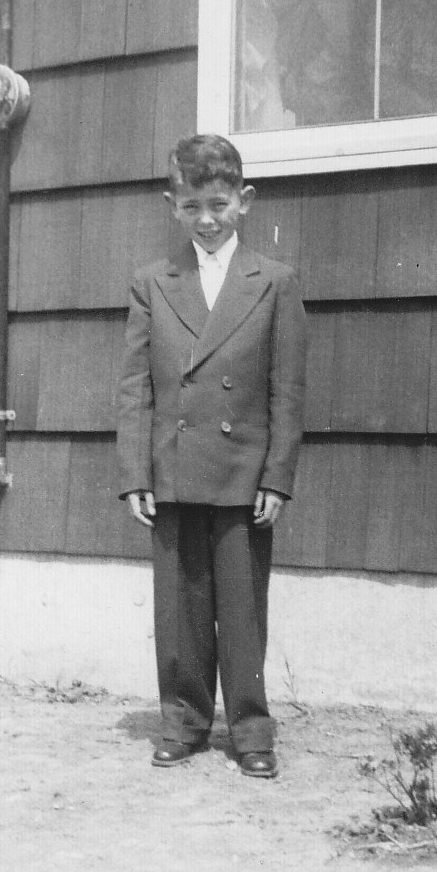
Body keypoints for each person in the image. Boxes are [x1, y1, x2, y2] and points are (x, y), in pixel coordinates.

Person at [116, 134, 307, 778]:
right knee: (179, 609)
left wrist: (277, 477)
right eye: (191, 206)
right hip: (173, 468)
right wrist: (135, 474)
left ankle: (251, 729)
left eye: (219, 205)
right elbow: (135, 387)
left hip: (243, 473)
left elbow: (287, 390)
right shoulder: (152, 282)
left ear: (244, 201)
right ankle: (183, 721)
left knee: (243, 609)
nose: (206, 220)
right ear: (172, 205)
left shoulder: (274, 282)